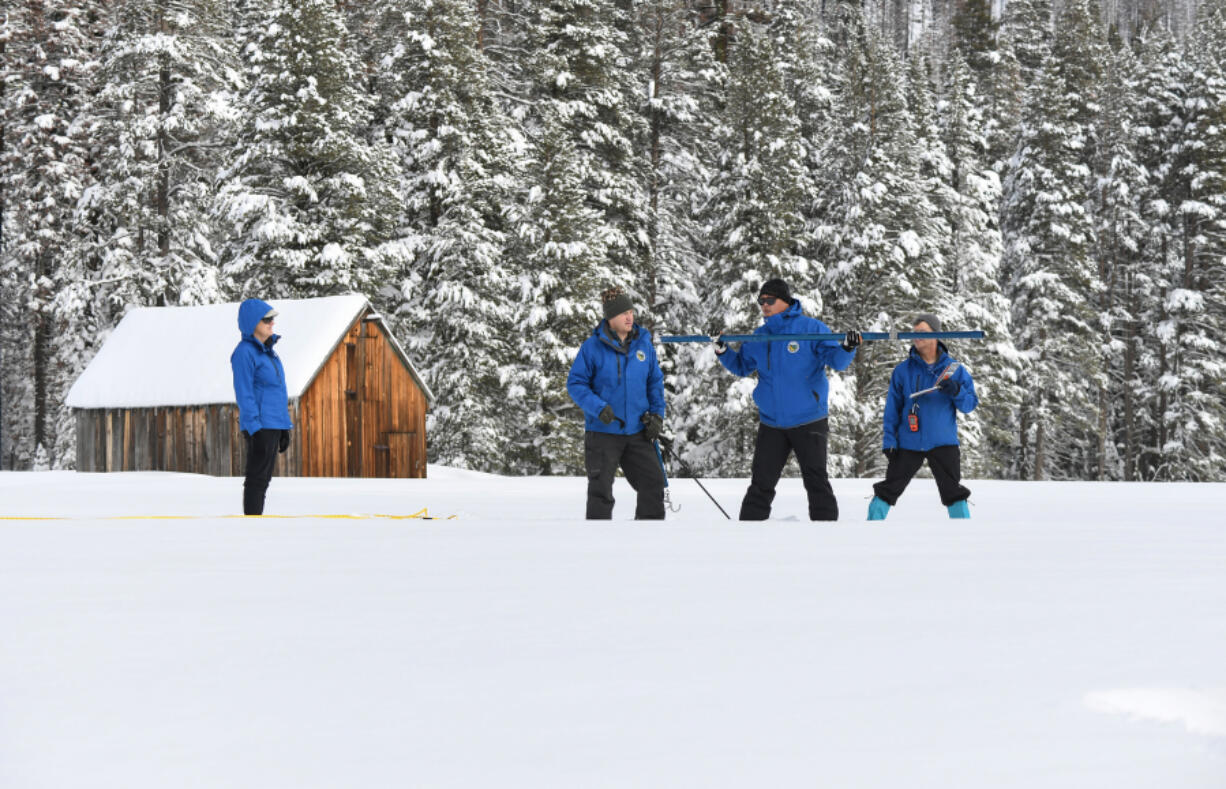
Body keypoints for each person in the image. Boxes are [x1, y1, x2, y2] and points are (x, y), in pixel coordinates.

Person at [716, 278, 861, 520]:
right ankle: (747, 538)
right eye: (761, 301)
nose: (764, 305)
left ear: (785, 301)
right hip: (772, 422)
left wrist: (847, 347)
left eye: (769, 300)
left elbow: (837, 361)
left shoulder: (811, 329)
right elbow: (741, 366)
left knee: (816, 482)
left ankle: (828, 537)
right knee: (761, 483)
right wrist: (721, 349)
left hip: (809, 419)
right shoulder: (760, 336)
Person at [566, 287, 667, 519]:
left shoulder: (644, 345)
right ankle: (599, 548)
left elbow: (655, 382)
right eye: (623, 313)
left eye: (631, 311)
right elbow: (576, 384)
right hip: (603, 432)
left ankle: (649, 542)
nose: (629, 317)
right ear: (610, 317)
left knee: (653, 485)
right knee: (601, 492)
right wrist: (598, 407)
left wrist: (657, 415)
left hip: (638, 430)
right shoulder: (591, 347)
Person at [868, 313, 978, 520]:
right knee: (888, 489)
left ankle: (963, 536)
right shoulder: (902, 371)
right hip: (908, 442)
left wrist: (956, 391)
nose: (916, 336)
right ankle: (871, 528)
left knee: (953, 492)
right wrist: (889, 440)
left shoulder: (954, 369)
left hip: (943, 442)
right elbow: (892, 409)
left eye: (923, 332)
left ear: (936, 335)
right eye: (914, 332)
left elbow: (970, 404)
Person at [231, 298, 293, 515]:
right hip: (260, 425)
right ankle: (252, 523)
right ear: (252, 322)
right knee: (257, 477)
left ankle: (256, 520)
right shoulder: (244, 352)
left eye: (273, 319)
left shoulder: (270, 353)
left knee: (264, 478)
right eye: (267, 319)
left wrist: (284, 427)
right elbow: (244, 393)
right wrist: (254, 428)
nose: (271, 323)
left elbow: (277, 392)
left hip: (274, 424)